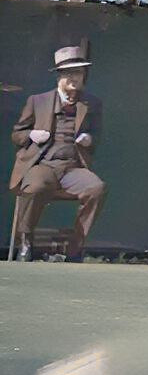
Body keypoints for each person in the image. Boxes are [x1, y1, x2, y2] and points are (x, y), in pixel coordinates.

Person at [10, 46, 106, 262]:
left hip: (73, 167)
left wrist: (89, 139)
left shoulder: (92, 103)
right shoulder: (38, 101)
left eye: (79, 73)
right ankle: (25, 241)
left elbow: (96, 136)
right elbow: (17, 134)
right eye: (70, 73)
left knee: (96, 188)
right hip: (43, 165)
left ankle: (75, 248)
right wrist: (32, 134)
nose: (75, 78)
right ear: (60, 76)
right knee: (35, 186)